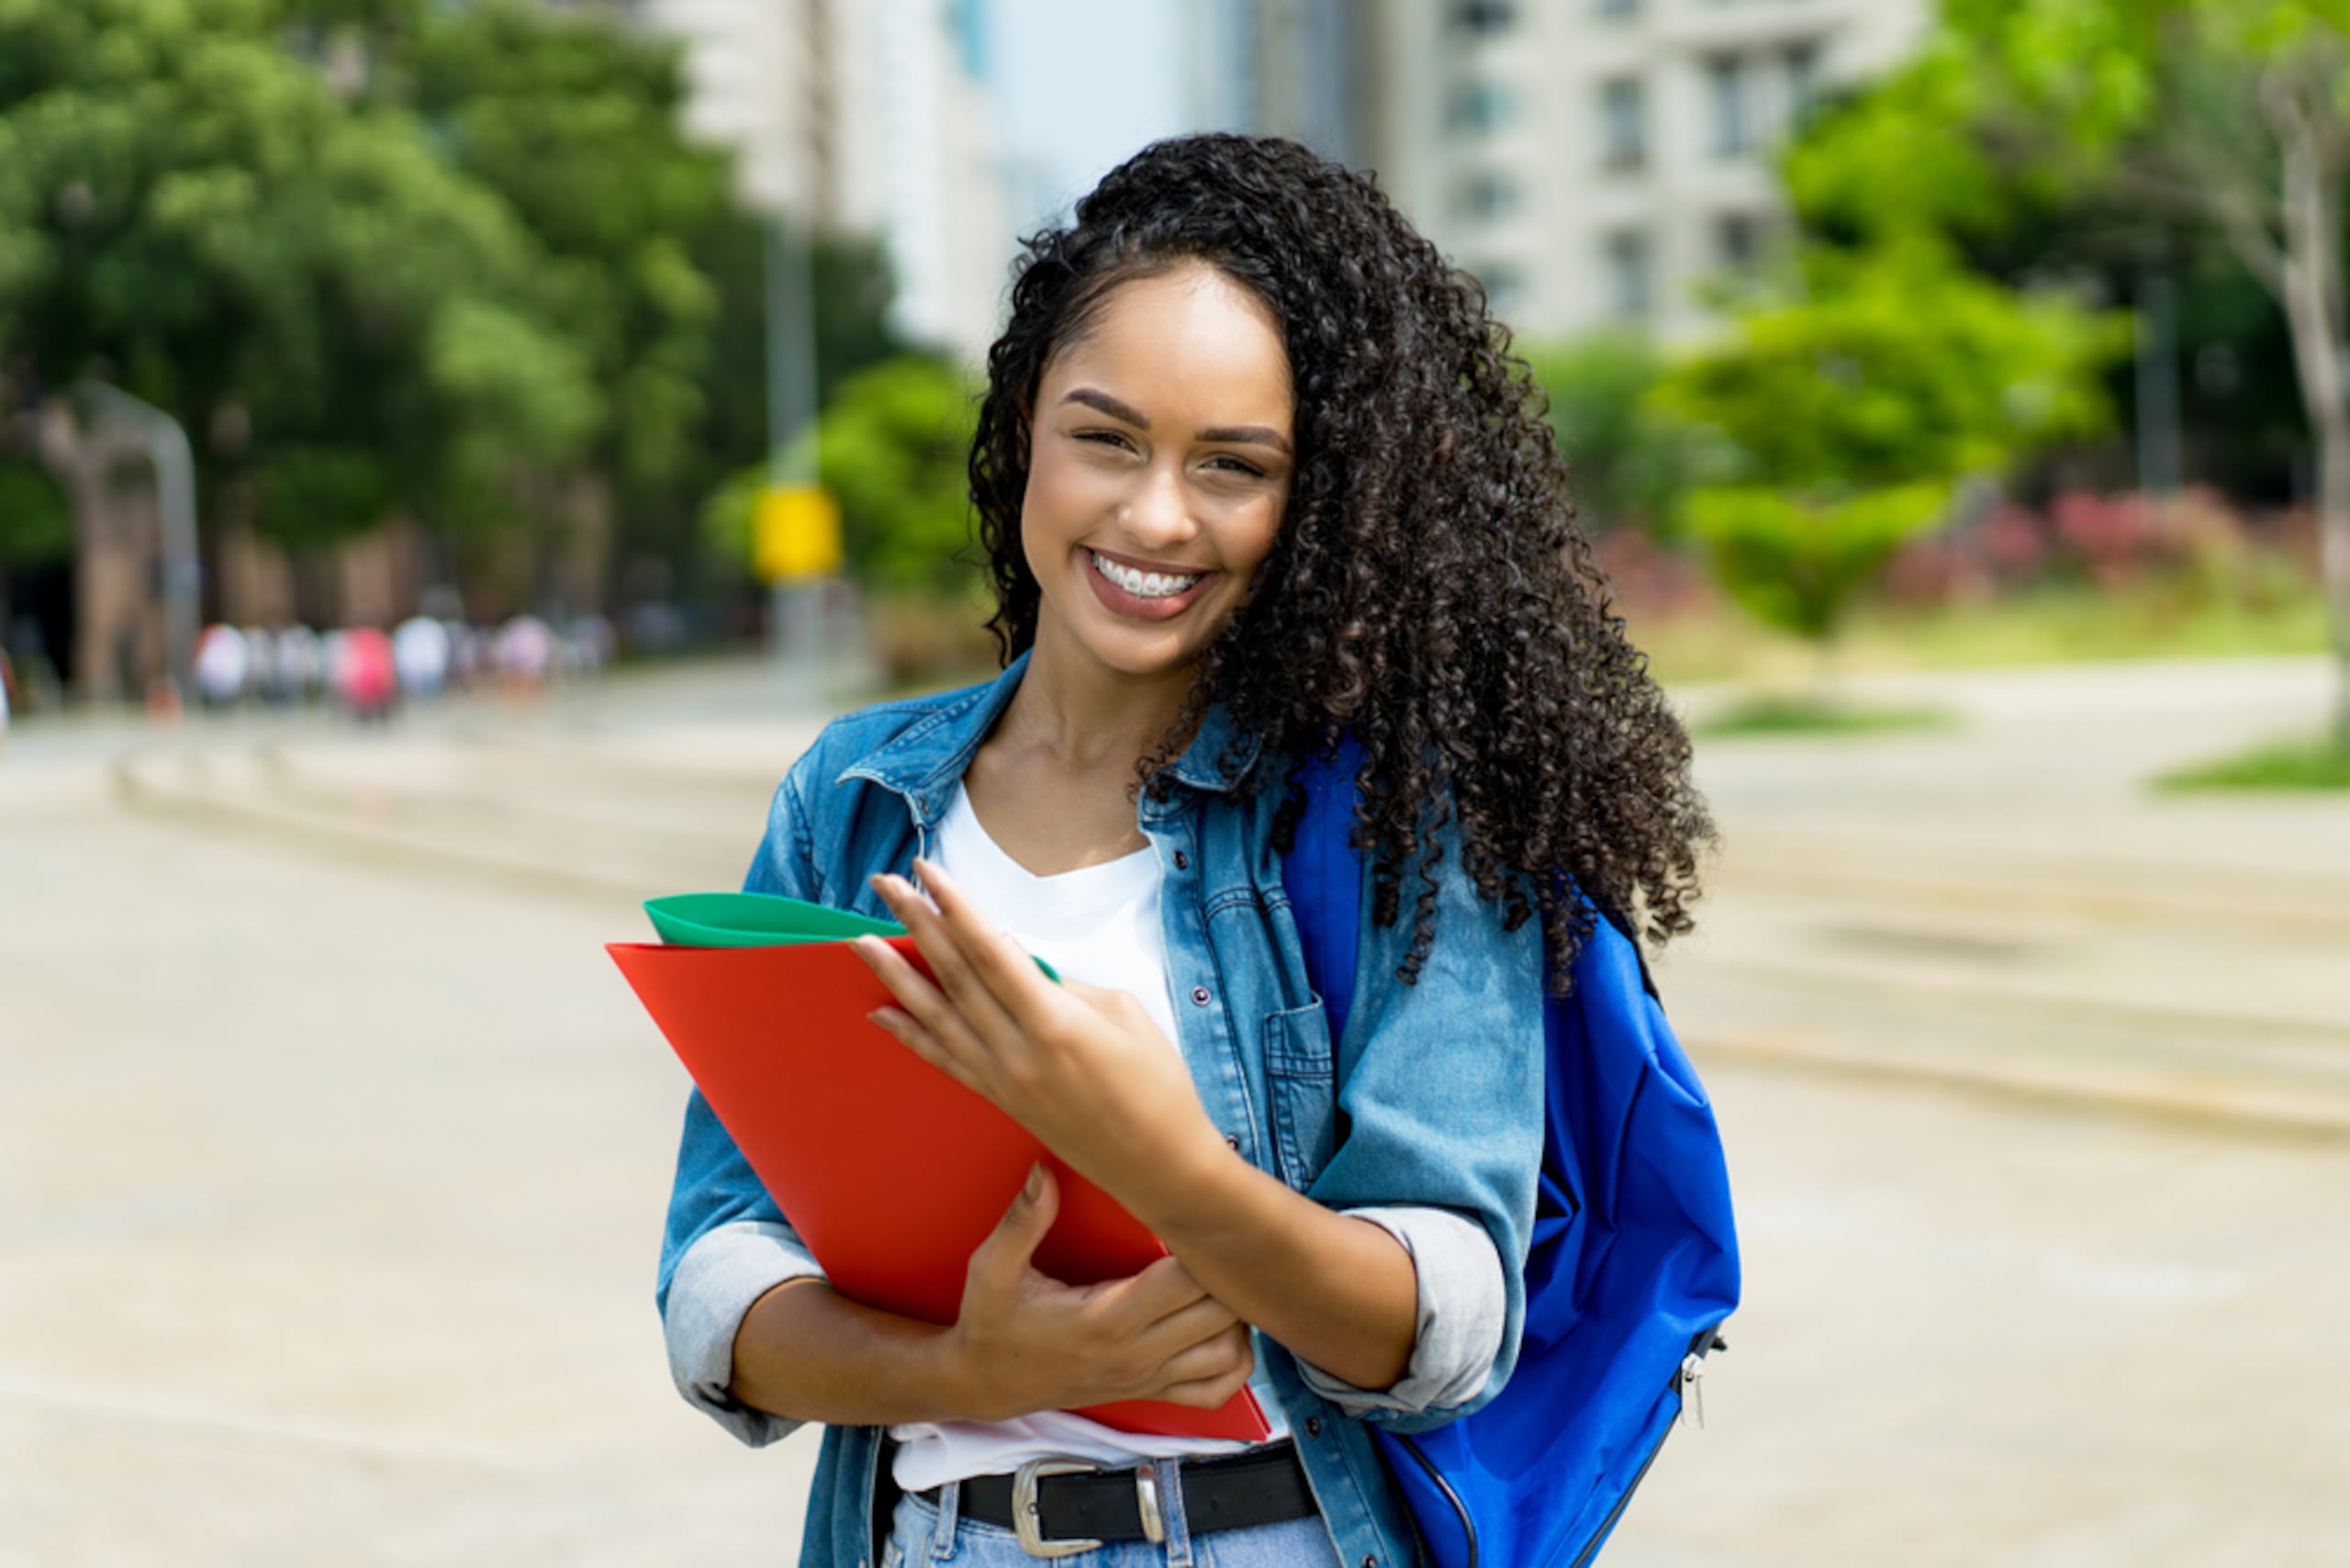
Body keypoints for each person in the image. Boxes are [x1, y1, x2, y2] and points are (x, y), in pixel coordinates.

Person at [657, 135, 1712, 1568]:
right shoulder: (853, 797)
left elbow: (1440, 1325)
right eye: (1106, 437)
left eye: (1234, 467)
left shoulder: (1403, 813)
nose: (1157, 517)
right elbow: (720, 1283)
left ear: (1314, 504)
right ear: (1026, 419)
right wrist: (974, 1372)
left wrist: (1150, 1155)